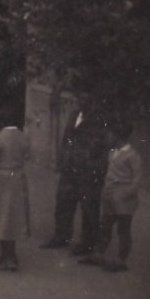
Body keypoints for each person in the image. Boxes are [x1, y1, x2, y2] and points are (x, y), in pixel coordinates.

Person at [44, 104, 108, 254]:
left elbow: (100, 145)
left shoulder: (99, 118)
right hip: (69, 168)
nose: (83, 100)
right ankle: (61, 236)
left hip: (87, 170)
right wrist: (63, 160)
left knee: (88, 207)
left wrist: (91, 164)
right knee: (63, 203)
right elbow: (67, 138)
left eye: (86, 96)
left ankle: (88, 243)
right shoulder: (74, 115)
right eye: (80, 96)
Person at [82, 122, 141, 272]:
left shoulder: (132, 156)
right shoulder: (112, 151)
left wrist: (125, 194)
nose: (108, 137)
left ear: (118, 137)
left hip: (123, 199)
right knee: (105, 226)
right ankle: (98, 255)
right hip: (109, 195)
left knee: (123, 230)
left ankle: (121, 261)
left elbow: (137, 180)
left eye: (111, 135)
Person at [0, 110, 31, 270]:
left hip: (1, 180)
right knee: (14, 217)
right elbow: (27, 156)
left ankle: (6, 257)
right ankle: (11, 255)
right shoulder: (24, 137)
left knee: (2, 217)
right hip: (17, 178)